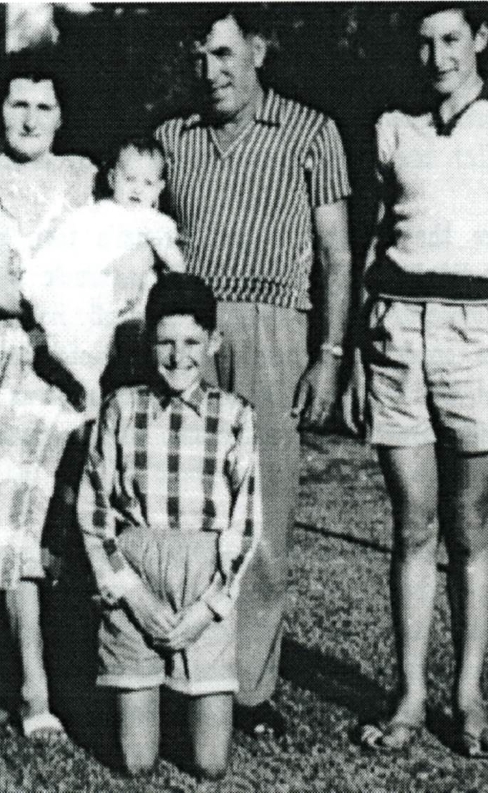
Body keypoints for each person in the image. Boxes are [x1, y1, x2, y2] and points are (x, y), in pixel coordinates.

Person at [344, 3, 488, 757]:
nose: (436, 55)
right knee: (412, 524)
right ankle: (408, 695)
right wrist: (353, 352)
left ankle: (465, 698)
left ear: (480, 39)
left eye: (451, 39)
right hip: (398, 330)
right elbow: (378, 239)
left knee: (469, 526)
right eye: (424, 41)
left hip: (484, 336)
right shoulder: (393, 125)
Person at [154, 5, 353, 739]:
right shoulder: (172, 138)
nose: (213, 71)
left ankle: (252, 690)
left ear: (261, 51)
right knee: (188, 511)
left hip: (276, 333)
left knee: (265, 514)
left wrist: (330, 355)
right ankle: (186, 676)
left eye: (227, 54)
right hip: (192, 340)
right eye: (202, 56)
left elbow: (337, 255)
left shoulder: (312, 132)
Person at [0, 49, 97, 740]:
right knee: (20, 523)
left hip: (93, 356)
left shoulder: (85, 177)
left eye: (45, 105)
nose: (31, 118)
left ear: (63, 113)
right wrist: (56, 306)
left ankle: (91, 670)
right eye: (18, 104)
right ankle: (33, 687)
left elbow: (120, 264)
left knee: (83, 517)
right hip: (23, 355)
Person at [78, 273, 261, 779]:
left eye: (191, 342)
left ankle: (188, 694)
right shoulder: (121, 407)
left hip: (204, 577)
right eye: (164, 342)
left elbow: (245, 522)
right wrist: (132, 594)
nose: (178, 356)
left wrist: (209, 608)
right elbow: (95, 509)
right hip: (134, 573)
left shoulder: (235, 415)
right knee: (136, 761)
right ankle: (144, 694)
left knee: (210, 764)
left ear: (213, 343)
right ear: (147, 343)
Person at [21, 137, 185, 418]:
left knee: (110, 344)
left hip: (130, 306)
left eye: (147, 183)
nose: (137, 189)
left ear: (159, 189)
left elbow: (176, 261)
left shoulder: (154, 221)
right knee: (75, 324)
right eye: (129, 179)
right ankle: (72, 375)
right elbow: (65, 241)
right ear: (112, 178)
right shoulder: (95, 212)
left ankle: (89, 393)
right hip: (93, 289)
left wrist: (167, 261)